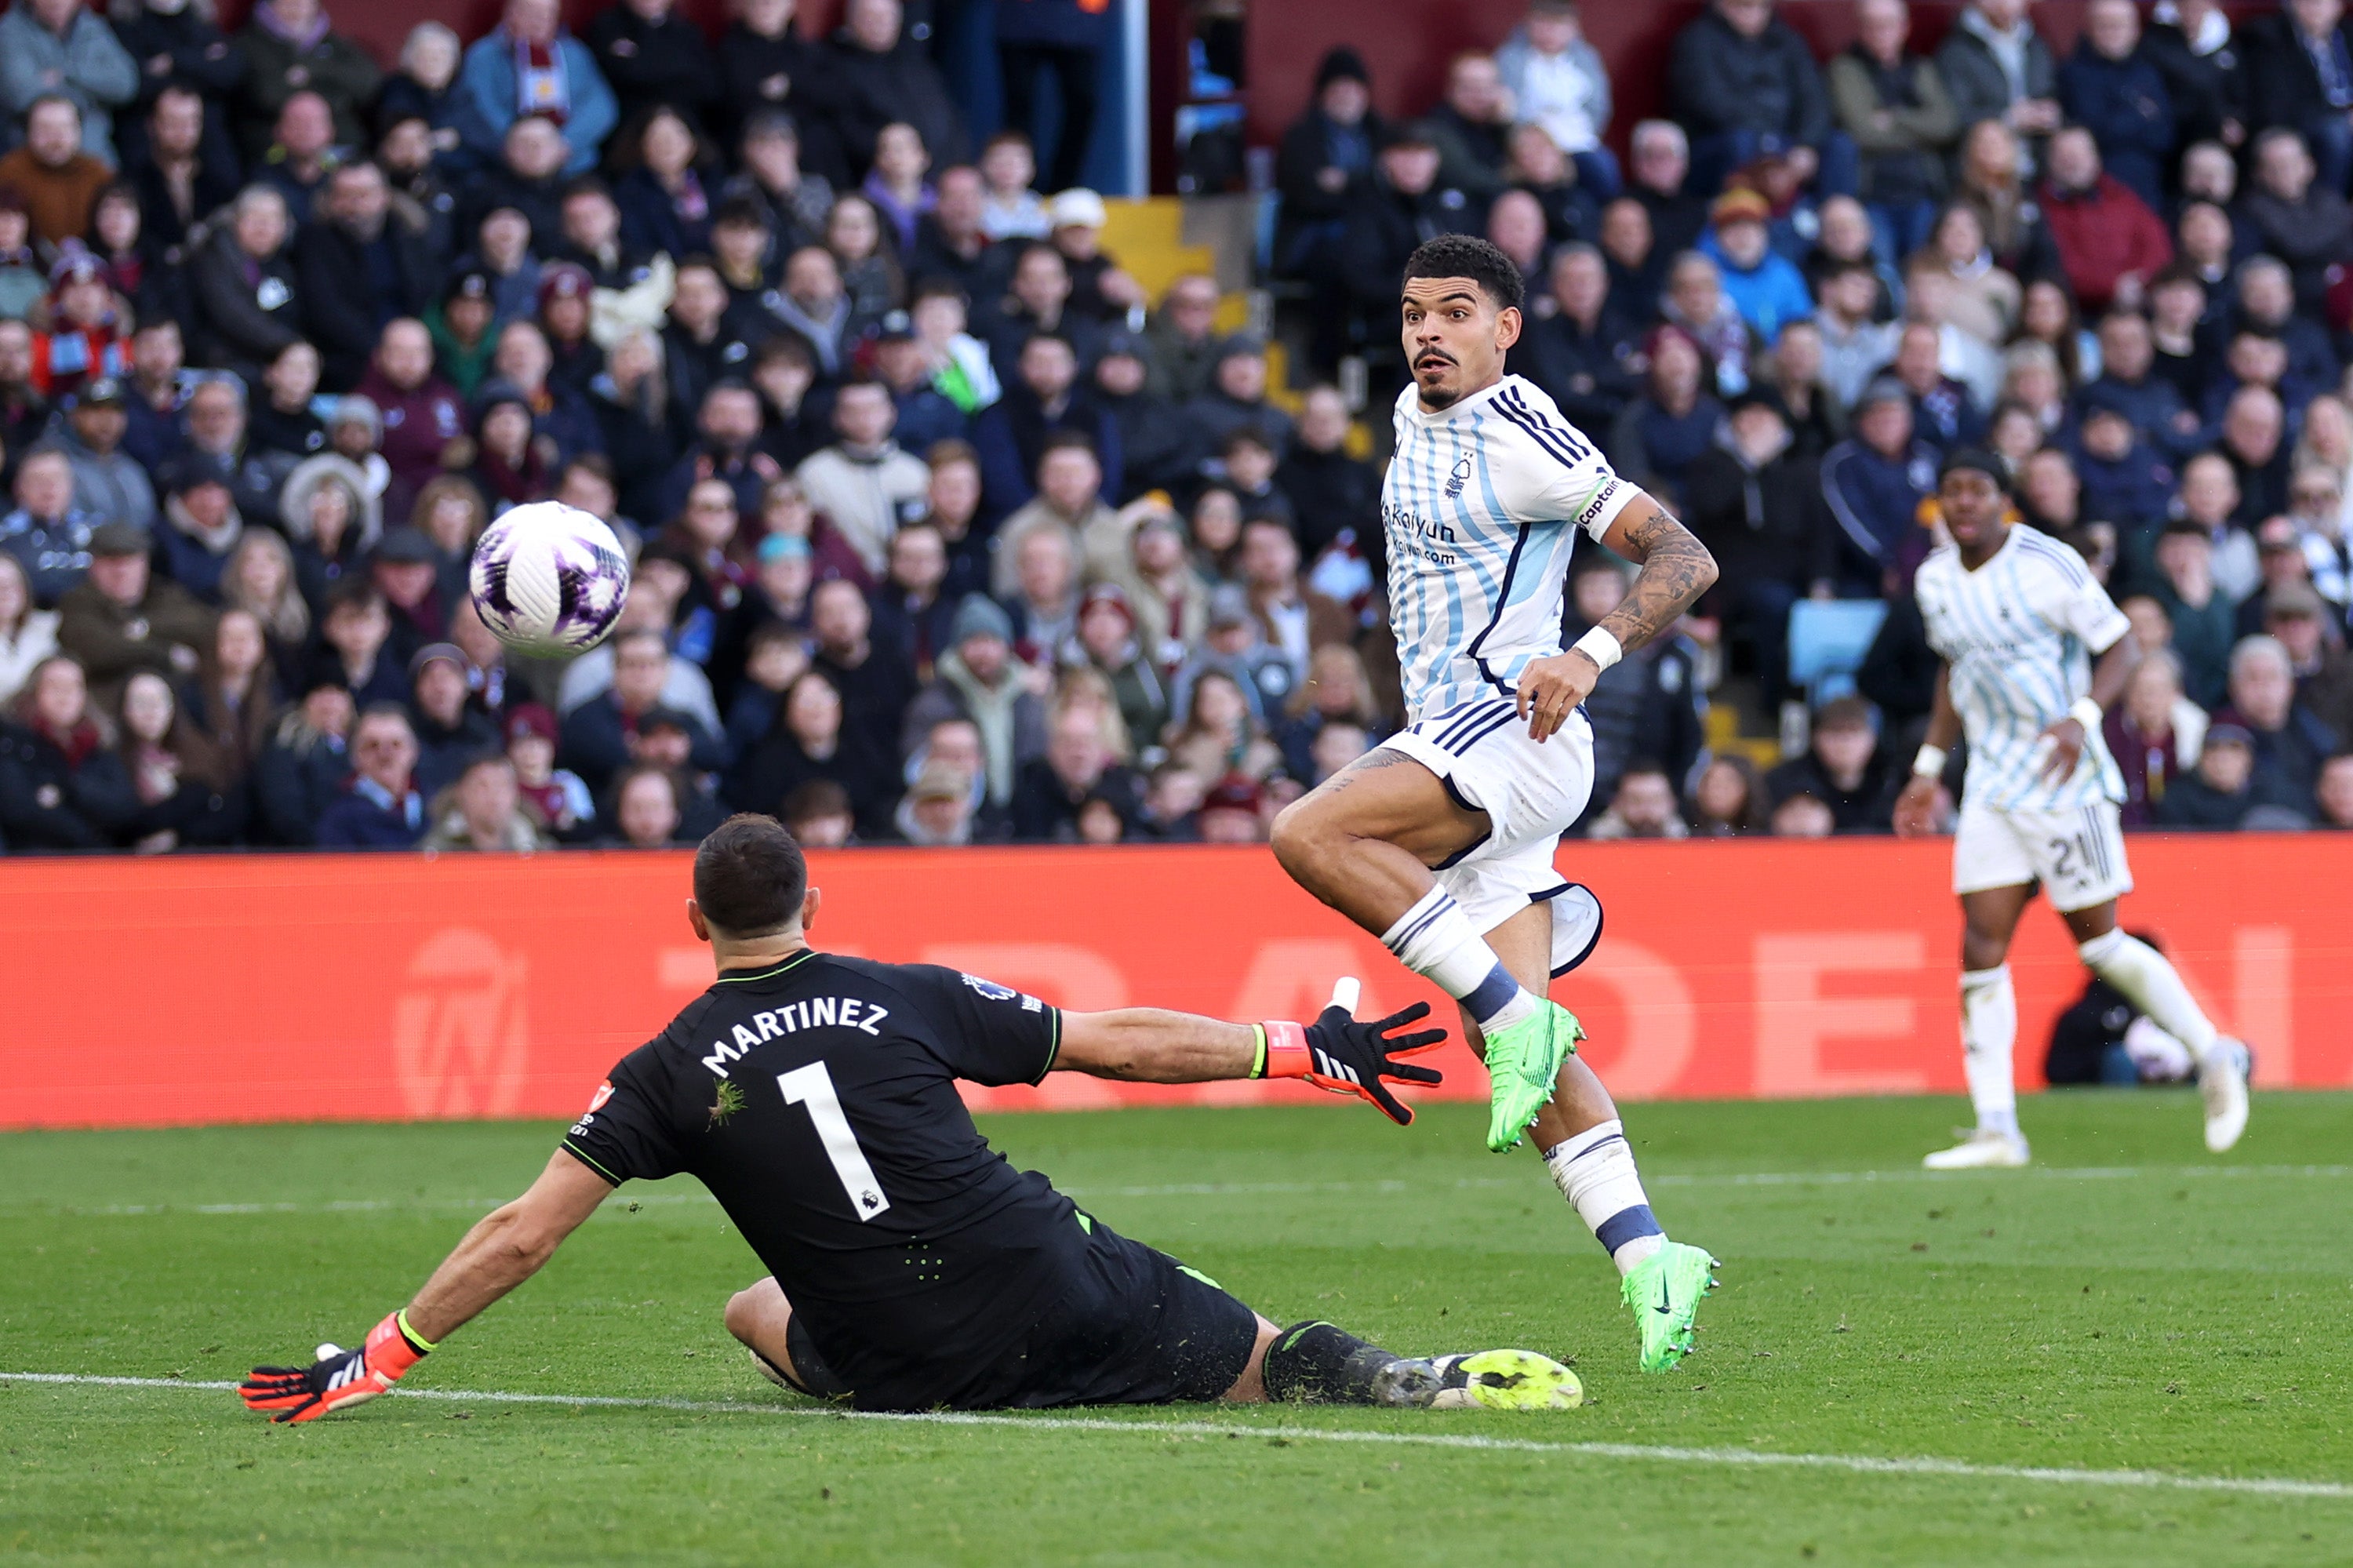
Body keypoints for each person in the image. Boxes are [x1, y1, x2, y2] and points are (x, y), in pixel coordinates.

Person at [241, 814, 1580, 1418]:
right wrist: (1298, 1046)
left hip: (901, 1358)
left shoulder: (663, 1066)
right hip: (1050, 1278)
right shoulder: (906, 995)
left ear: (698, 920)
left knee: (749, 1305)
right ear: (811, 908)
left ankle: (901, 1342)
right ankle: (1416, 1379)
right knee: (1261, 1354)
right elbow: (1109, 1040)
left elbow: (525, 1233)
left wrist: (386, 1351)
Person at [1260, 235, 1718, 1373]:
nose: (1428, 331)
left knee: (1310, 831)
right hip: (1459, 742)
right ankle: (1652, 1255)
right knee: (1500, 1024)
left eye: (1455, 312)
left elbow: (1685, 554)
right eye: (1413, 312)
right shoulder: (1416, 424)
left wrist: (1591, 650)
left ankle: (1522, 1016)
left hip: (1515, 731)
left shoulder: (1522, 430)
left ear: (1506, 328)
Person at [1893, 448, 2249, 1169]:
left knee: (2099, 943)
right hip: (1993, 783)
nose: (1964, 503)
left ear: (2003, 500)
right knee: (1980, 946)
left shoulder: (2046, 563)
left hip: (2065, 780)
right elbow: (1954, 671)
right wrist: (1928, 769)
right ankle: (1999, 1128)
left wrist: (2082, 715)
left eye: (1978, 491)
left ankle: (2215, 1052)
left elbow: (2118, 642)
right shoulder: (1933, 579)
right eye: (1952, 492)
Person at [1827, 0, 1960, 267]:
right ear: (1861, 29)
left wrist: (1895, 118)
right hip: (1873, 195)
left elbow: (1946, 125)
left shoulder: (1922, 68)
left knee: (1925, 274)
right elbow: (1863, 131)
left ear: (1904, 28)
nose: (1880, 32)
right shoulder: (1845, 68)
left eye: (1887, 25)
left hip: (1923, 192)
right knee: (1883, 275)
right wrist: (1920, 129)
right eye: (1872, 25)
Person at [458, 0, 617, 178]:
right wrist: (524, 147)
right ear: (511, 13)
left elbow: (600, 105)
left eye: (550, 13)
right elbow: (477, 108)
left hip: (571, 165)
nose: (542, 19)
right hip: (504, 168)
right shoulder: (484, 55)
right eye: (533, 12)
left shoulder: (575, 53)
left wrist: (565, 143)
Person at [0, 0, 137, 168]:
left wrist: (66, 74)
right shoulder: (10, 29)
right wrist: (91, 92)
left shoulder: (92, 26)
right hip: (32, 159)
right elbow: (19, 93)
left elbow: (126, 84)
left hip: (94, 154)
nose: (56, 2)